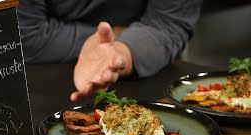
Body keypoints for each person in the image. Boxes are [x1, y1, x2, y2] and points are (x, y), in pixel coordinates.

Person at [18, 0, 203, 102]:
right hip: (39, 84)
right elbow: (24, 32)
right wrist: (111, 36)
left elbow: (171, 22)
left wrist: (119, 50)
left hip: (149, 77)